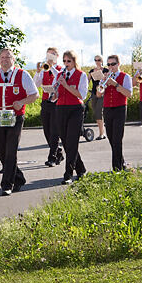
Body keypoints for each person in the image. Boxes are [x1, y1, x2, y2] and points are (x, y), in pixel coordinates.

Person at [0, 48, 38, 196]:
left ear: (13, 59)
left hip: (15, 116)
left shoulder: (22, 74)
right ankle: (18, 177)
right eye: (2, 57)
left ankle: (7, 184)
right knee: (0, 151)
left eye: (8, 57)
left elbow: (34, 95)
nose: (5, 60)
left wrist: (22, 101)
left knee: (11, 150)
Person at [54, 50, 88, 184]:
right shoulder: (60, 75)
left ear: (74, 62)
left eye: (69, 61)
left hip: (75, 109)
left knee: (72, 141)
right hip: (60, 108)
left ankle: (68, 174)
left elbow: (81, 95)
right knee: (66, 142)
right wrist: (54, 93)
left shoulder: (81, 75)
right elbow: (56, 95)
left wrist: (66, 85)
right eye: (64, 61)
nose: (66, 64)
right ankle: (81, 169)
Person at [101, 54, 133, 171]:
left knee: (117, 139)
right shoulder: (105, 77)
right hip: (107, 109)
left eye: (113, 64)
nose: (110, 67)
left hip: (119, 108)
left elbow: (129, 94)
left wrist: (115, 84)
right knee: (111, 138)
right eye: (108, 64)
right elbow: (99, 94)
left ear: (118, 64)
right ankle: (122, 162)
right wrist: (102, 84)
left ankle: (117, 168)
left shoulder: (125, 77)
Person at [38, 47, 64, 166]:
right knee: (47, 130)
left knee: (54, 131)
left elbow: (59, 76)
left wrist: (51, 66)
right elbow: (36, 84)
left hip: (56, 102)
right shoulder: (44, 69)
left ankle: (52, 157)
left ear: (57, 56)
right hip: (45, 102)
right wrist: (39, 72)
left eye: (53, 54)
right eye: (48, 54)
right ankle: (58, 152)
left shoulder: (60, 69)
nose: (50, 57)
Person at [88, 55, 107, 141]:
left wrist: (101, 74)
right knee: (96, 112)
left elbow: (106, 80)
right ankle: (102, 131)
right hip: (94, 93)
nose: (97, 61)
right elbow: (87, 81)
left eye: (99, 60)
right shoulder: (92, 71)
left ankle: (102, 133)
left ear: (102, 60)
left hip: (103, 93)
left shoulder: (106, 70)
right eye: (95, 60)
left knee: (99, 111)